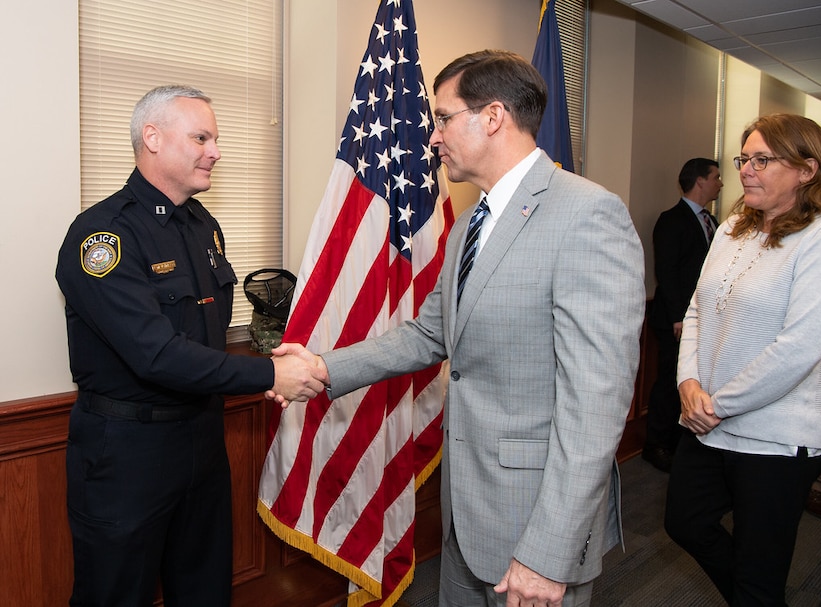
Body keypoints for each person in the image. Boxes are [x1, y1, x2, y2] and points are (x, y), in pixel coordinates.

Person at [273, 50, 645, 607]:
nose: (433, 137)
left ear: (492, 116)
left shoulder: (587, 215)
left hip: (536, 524)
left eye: (443, 118)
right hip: (467, 511)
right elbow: (430, 334)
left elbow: (596, 404)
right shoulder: (474, 221)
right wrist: (323, 367)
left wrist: (548, 553)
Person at [55, 85, 324, 607]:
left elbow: (209, 341)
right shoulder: (102, 237)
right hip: (126, 451)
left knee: (204, 590)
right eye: (201, 137)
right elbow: (156, 354)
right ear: (151, 138)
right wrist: (271, 376)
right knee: (115, 595)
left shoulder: (203, 226)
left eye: (215, 139)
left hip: (201, 438)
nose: (216, 151)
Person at [664, 113, 821, 606]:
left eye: (762, 159)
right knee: (685, 522)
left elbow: (798, 348)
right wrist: (688, 384)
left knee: (759, 571)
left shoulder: (818, 237)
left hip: (776, 437)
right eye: (743, 159)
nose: (746, 170)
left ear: (806, 170)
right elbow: (697, 307)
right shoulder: (733, 226)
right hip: (708, 418)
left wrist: (716, 404)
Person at [642, 158, 722, 473]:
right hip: (676, 320)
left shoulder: (714, 223)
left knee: (691, 382)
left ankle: (678, 440)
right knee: (668, 383)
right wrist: (678, 317)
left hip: (703, 320)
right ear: (699, 181)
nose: (721, 183)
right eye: (716, 177)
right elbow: (667, 272)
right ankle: (656, 444)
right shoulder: (671, 220)